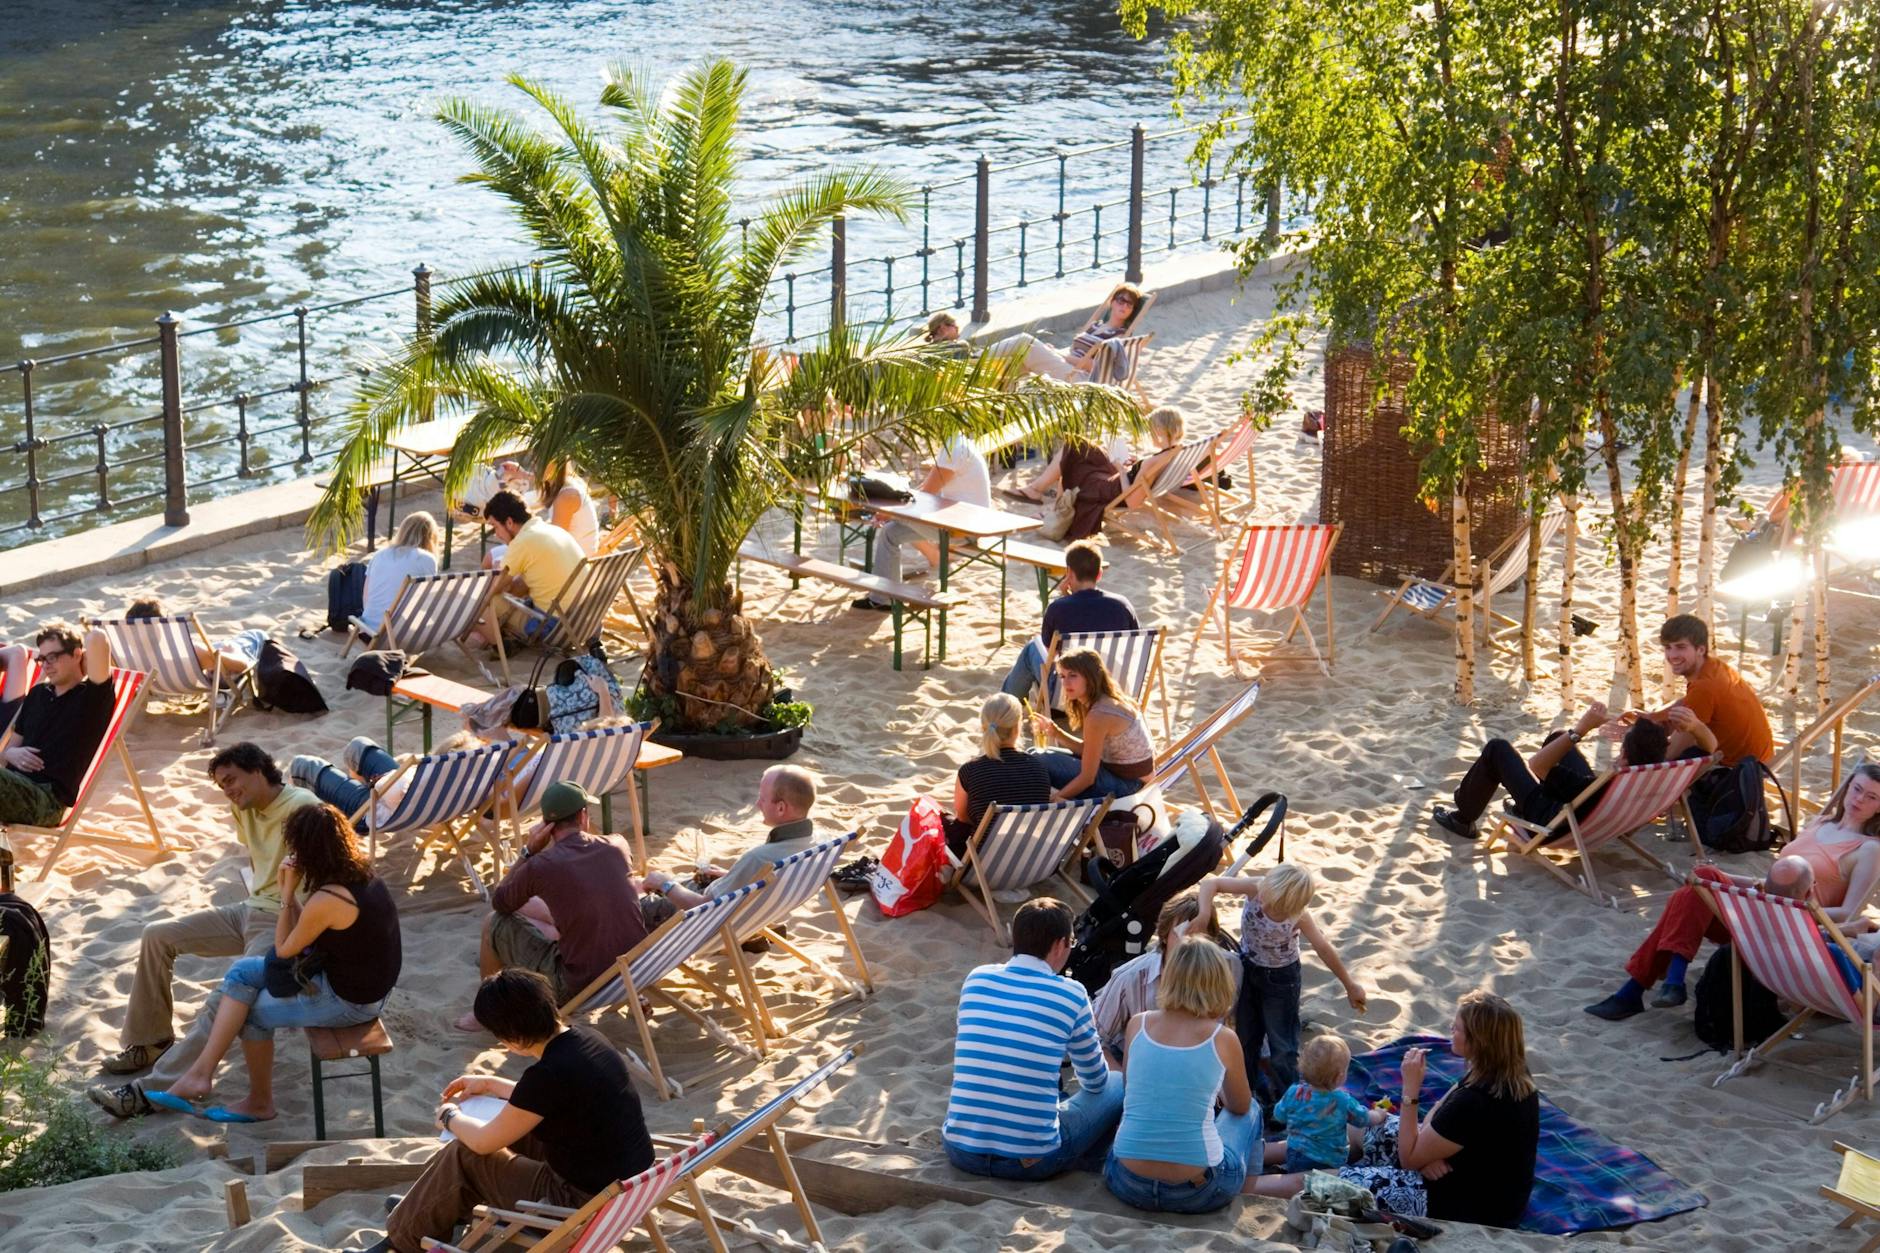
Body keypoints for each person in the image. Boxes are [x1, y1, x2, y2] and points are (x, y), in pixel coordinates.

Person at [353, 969, 654, 1253]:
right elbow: (554, 1099)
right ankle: (428, 1211)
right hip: (625, 1186)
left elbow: (484, 1142)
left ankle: (401, 1240)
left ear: (512, 1036)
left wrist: (449, 1116)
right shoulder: (587, 1040)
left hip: (580, 1201)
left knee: (466, 1154)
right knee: (513, 1131)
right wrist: (491, 1084)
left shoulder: (548, 1074)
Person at [143, 803, 401, 1123]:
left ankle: (259, 1102)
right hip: (362, 984)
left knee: (249, 1014)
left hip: (352, 1003)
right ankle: (200, 1073)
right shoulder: (361, 874)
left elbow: (282, 949)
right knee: (239, 973)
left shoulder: (329, 899)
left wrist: (287, 894)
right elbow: (301, 937)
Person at [94, 744, 318, 1087]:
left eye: (231, 780)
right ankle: (151, 1041)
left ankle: (157, 1085)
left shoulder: (302, 807)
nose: (227, 790)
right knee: (157, 934)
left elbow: (324, 876)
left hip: (284, 920)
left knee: (228, 990)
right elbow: (259, 863)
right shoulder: (244, 809)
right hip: (251, 910)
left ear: (258, 770)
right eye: (221, 786)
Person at [1584, 762, 1880, 1019]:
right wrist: (1724, 878)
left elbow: (1847, 914)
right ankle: (1667, 983)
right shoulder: (1821, 822)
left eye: (1871, 797)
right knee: (1700, 882)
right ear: (1847, 788)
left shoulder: (1868, 849)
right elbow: (1770, 882)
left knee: (1693, 894)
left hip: (1790, 933)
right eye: (1856, 789)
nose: (1859, 800)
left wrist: (1791, 912)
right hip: (1760, 913)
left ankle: (1641, 988)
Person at [457, 781, 668, 1032]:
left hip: (576, 985)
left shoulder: (541, 865)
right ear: (583, 815)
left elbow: (501, 901)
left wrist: (528, 851)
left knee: (493, 922)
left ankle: (486, 1013)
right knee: (570, 907)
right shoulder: (618, 846)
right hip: (632, 970)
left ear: (547, 827)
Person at [942, 897, 1124, 1180]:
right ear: (1060, 944)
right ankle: (1088, 1160)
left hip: (961, 1149)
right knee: (1117, 1082)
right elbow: (1095, 1081)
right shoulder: (1071, 993)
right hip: (1030, 1161)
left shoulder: (976, 979)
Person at [1331, 991, 1540, 1228]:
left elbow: (1408, 1158)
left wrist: (1411, 1088)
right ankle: (1297, 1151)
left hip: (1467, 1205)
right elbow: (1436, 1115)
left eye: (1458, 1027)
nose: (1451, 1027)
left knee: (1325, 1184)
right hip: (1464, 1176)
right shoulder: (1502, 1068)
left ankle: (1282, 1182)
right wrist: (1425, 1158)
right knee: (1362, 1125)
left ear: (1477, 1041)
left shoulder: (1476, 1100)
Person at [1103, 938, 1258, 1214]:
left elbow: (1132, 1090)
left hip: (1127, 1180)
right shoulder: (1222, 1038)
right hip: (1195, 1190)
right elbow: (1240, 1107)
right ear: (1219, 983)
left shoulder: (1137, 1024)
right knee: (1253, 1110)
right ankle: (1251, 1192)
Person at [1197, 864, 1368, 1107]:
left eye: (1275, 905)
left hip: (1281, 981)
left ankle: (1291, 1101)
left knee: (1282, 1047)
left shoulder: (1298, 916)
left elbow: (1324, 949)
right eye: (1265, 897)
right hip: (1249, 969)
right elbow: (1210, 883)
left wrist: (1350, 985)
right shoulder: (1256, 886)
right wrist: (1204, 914)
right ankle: (1249, 1094)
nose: (1264, 904)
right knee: (1246, 1038)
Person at [1430, 701, 1676, 840]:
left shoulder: (1600, 784)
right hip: (1592, 817)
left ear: (1623, 753)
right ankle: (1516, 804)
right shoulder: (1649, 777)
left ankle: (1463, 818)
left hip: (1551, 821)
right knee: (1558, 738)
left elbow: (1537, 764)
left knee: (1498, 749)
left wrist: (1580, 730)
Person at [642, 765, 824, 906]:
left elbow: (703, 907)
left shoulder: (759, 858)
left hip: (693, 915)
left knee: (631, 891)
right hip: (748, 915)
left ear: (781, 808)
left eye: (763, 798)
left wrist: (664, 884)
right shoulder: (817, 844)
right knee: (638, 884)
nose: (757, 804)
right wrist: (733, 876)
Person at [854, 433, 992, 612]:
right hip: (956, 522)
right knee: (891, 532)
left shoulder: (955, 449)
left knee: (898, 518)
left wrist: (890, 511)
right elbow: (926, 493)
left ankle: (887, 597)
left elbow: (926, 493)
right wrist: (891, 509)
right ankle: (884, 599)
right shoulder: (955, 443)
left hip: (963, 529)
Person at [1092, 891, 1233, 1065]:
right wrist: (1120, 1080)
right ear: (1165, 936)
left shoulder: (1231, 969)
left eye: (1198, 935)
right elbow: (1093, 1039)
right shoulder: (1130, 977)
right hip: (1140, 1066)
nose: (1188, 943)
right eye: (1181, 932)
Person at [1614, 615, 1774, 767]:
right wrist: (1653, 717)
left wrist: (1630, 747)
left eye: (1681, 647)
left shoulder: (1704, 687)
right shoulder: (1714, 667)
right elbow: (1687, 701)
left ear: (1700, 649)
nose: (1672, 655)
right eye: (1668, 648)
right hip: (1761, 752)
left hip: (1740, 767)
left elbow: (1669, 756)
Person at [0, 623, 116, 826]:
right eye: (42, 659)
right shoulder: (37, 694)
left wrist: (83, 661)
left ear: (77, 654)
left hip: (46, 800)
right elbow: (8, 749)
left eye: (53, 657)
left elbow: (97, 638)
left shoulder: (92, 698)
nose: (46, 665)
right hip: (11, 785)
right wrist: (11, 754)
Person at [1000, 540, 1140, 700]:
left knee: (1032, 648)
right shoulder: (1123, 606)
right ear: (1099, 574)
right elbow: (1133, 650)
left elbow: (1049, 655)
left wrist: (1066, 599)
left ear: (1070, 573)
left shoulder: (1058, 608)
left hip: (1067, 695)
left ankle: (1004, 709)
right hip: (1113, 691)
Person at [1033, 648, 1157, 801]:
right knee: (1034, 753)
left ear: (1090, 677)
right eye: (1062, 676)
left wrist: (1056, 799)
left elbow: (1088, 778)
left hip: (1128, 789)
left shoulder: (1099, 715)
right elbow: (1089, 751)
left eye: (1073, 675)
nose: (1065, 683)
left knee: (1039, 760)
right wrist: (1056, 732)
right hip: (1129, 778)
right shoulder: (1108, 700)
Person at [468, 490, 585, 650]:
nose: (496, 534)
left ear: (509, 522)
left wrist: (498, 577)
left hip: (555, 628)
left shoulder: (522, 542)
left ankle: (500, 645)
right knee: (517, 588)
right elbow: (521, 585)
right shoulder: (552, 530)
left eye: (495, 527)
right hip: (585, 622)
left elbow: (491, 592)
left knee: (482, 602)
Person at [1258, 1034, 1384, 1178]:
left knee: (1296, 1172)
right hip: (1327, 1162)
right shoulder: (1342, 1100)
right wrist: (1379, 1114)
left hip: (1294, 1153)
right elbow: (1363, 1119)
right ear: (1339, 1076)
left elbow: (1279, 1115)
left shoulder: (1294, 1091)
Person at [943, 694, 1051, 856]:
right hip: (1030, 859)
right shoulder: (1039, 768)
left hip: (982, 867)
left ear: (983, 727)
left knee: (939, 818)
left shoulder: (970, 771)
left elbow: (964, 819)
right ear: (1018, 728)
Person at [987, 284, 1144, 383]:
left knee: (1024, 341)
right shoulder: (1095, 326)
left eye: (1130, 303)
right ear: (1112, 301)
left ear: (1132, 310)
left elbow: (1095, 366)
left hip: (1079, 376)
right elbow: (1075, 350)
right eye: (1120, 300)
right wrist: (1055, 351)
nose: (1124, 305)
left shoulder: (1118, 337)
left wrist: (1059, 355)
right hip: (1068, 365)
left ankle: (976, 357)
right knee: (1018, 361)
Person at [358, 512, 441, 637]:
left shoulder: (379, 555)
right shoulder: (427, 559)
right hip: (406, 635)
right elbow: (427, 601)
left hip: (370, 632)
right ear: (430, 537)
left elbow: (366, 598)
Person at [535, 460, 601, 556]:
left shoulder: (566, 496)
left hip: (577, 559)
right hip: (577, 553)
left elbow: (557, 539)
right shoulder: (568, 484)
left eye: (541, 461)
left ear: (555, 463)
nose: (536, 466)